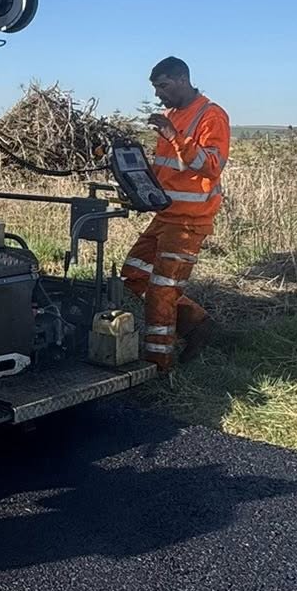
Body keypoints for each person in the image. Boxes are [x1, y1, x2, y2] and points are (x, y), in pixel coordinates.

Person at [120, 56, 230, 370]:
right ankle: (196, 324)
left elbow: (211, 165)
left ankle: (159, 365)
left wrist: (174, 136)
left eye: (163, 86)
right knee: (134, 275)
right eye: (156, 88)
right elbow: (166, 170)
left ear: (182, 79)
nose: (159, 95)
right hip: (165, 215)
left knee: (162, 290)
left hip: (188, 222)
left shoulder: (212, 115)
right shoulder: (171, 115)